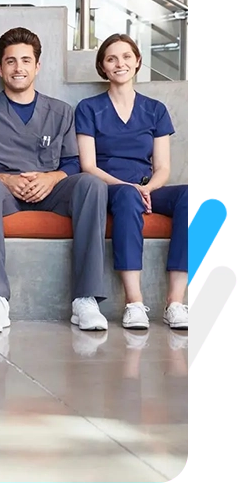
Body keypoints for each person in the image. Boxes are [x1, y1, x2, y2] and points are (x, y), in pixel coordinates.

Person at [0, 27, 109, 333]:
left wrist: (51, 178)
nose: (19, 68)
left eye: (26, 61)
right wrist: (4, 179)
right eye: (11, 61)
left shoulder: (60, 111)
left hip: (52, 191)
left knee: (91, 184)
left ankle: (85, 299)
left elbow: (72, 163)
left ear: (37, 66)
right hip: (4, 194)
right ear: (0, 68)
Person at [75, 33, 188, 330]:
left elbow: (162, 166)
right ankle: (134, 303)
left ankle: (175, 302)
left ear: (137, 61)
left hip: (146, 186)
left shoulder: (155, 110)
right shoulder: (88, 108)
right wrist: (127, 187)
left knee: (193, 197)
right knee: (126, 197)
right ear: (103, 67)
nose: (120, 63)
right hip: (109, 187)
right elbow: (88, 165)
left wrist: (148, 188)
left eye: (126, 56)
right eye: (111, 58)